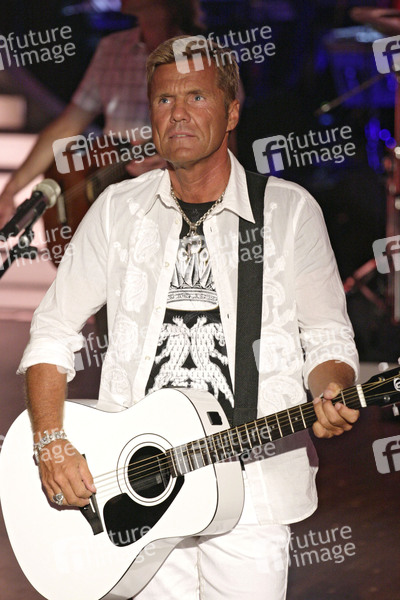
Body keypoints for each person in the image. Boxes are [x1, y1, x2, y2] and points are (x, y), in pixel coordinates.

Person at [18, 36, 360, 600]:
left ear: (232, 112)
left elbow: (327, 339)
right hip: (137, 486)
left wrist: (334, 389)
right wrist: (50, 442)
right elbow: (53, 331)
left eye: (196, 97)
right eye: (163, 100)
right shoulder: (118, 210)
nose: (177, 114)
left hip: (253, 493)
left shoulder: (288, 211)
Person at [0, 0, 204, 228]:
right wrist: (10, 191)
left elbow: (223, 142)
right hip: (112, 210)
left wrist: (180, 159)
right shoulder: (113, 48)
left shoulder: (200, 54)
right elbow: (67, 126)